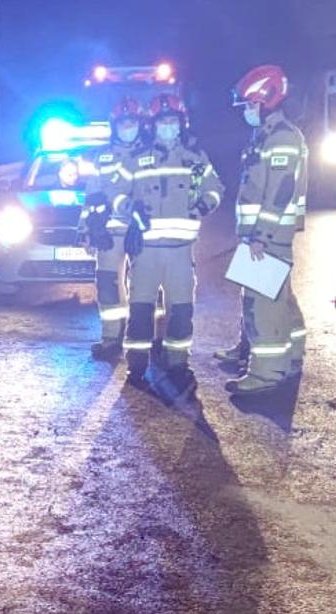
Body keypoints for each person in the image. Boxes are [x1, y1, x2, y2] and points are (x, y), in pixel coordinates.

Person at [119, 92, 224, 393]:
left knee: (181, 310)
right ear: (153, 125)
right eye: (162, 121)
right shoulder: (137, 158)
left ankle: (178, 362)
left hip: (180, 251)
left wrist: (203, 205)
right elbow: (118, 191)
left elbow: (215, 187)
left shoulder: (194, 157)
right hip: (147, 252)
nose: (168, 125)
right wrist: (130, 207)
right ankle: (137, 364)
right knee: (140, 309)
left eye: (172, 120)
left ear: (181, 123)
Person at [218, 64, 309, 397]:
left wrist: (261, 236)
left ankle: (267, 372)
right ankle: (291, 355)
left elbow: (280, 192)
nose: (246, 112)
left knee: (262, 303)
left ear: (265, 101)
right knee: (279, 299)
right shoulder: (268, 135)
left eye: (248, 105)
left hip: (267, 238)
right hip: (262, 236)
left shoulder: (282, 137)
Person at [86, 97, 146, 360]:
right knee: (108, 286)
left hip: (141, 232)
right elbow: (91, 195)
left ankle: (144, 342)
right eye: (123, 123)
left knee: (144, 287)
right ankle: (111, 340)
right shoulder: (102, 156)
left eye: (132, 122)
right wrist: (86, 230)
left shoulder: (150, 153)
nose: (127, 127)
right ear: (115, 125)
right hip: (108, 236)